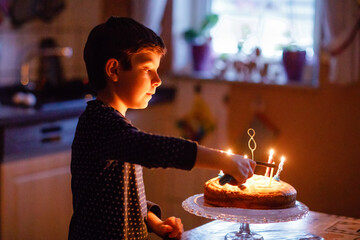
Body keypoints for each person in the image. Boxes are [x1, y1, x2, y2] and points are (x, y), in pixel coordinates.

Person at [68, 16, 256, 240]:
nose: (157, 79)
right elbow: (153, 149)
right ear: (114, 70)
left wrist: (154, 222)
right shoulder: (99, 123)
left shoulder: (114, 123)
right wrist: (225, 160)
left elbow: (117, 198)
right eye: (148, 69)